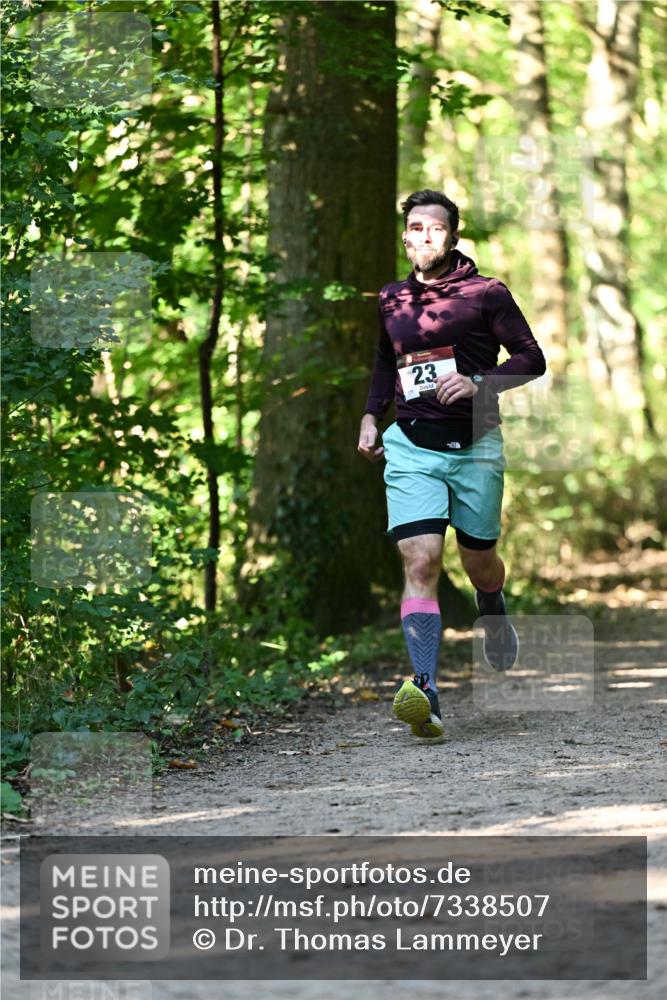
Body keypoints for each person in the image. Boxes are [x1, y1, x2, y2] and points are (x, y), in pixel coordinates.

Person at [358, 189, 546, 744]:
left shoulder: (486, 294)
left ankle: (492, 603)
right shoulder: (392, 299)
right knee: (421, 561)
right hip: (411, 446)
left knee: (479, 560)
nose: (423, 237)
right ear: (405, 235)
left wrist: (479, 381)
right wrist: (371, 417)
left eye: (434, 229)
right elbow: (382, 363)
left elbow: (532, 358)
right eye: (414, 228)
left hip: (476, 446)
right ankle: (425, 692)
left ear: (453, 236)